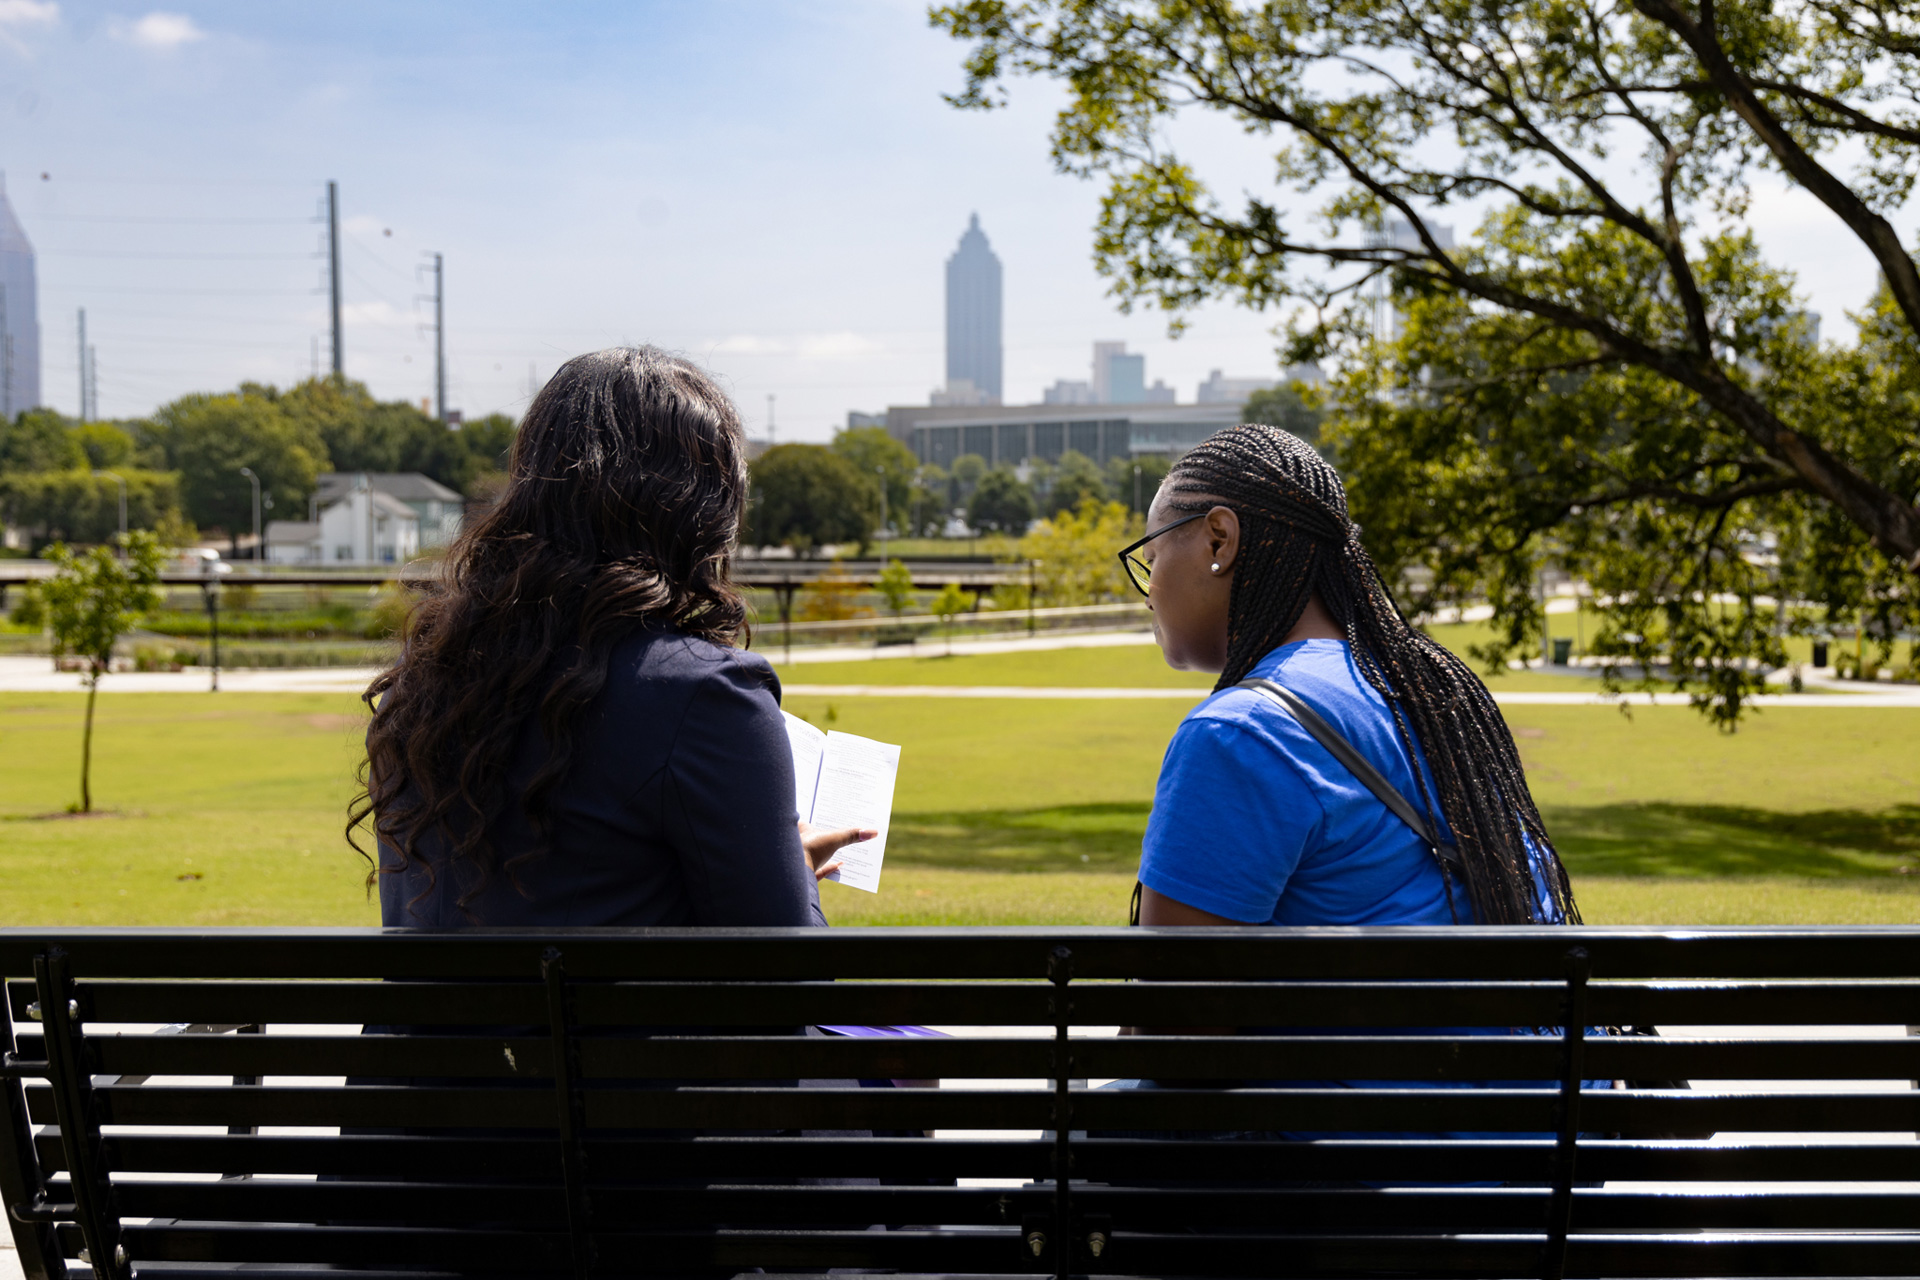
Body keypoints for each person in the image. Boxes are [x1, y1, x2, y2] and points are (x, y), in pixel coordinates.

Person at [350, 346, 871, 926]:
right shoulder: (704, 695)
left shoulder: (422, 682)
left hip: (428, 1021)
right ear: (703, 515)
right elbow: (792, 975)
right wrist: (794, 868)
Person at [1121, 423, 1576, 932]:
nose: (1149, 592)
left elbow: (1169, 1009)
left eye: (1151, 558)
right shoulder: (1433, 691)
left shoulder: (1239, 735)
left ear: (1219, 541)